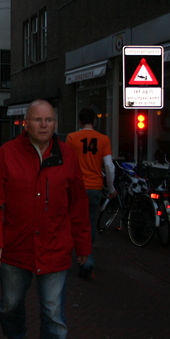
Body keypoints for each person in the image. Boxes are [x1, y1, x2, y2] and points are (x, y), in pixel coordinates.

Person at [0, 99, 92, 339]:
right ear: (26, 123)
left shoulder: (68, 156)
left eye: (49, 120)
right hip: (15, 248)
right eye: (38, 120)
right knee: (9, 306)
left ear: (55, 124)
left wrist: (83, 246)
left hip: (55, 247)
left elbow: (78, 205)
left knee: (53, 314)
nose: (44, 125)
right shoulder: (6, 155)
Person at [65, 107, 117, 279]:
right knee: (90, 220)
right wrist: (111, 188)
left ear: (80, 121)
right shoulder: (103, 139)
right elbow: (109, 166)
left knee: (76, 222)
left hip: (77, 186)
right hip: (95, 187)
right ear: (94, 121)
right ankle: (87, 256)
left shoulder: (72, 138)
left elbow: (66, 163)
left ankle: (83, 258)